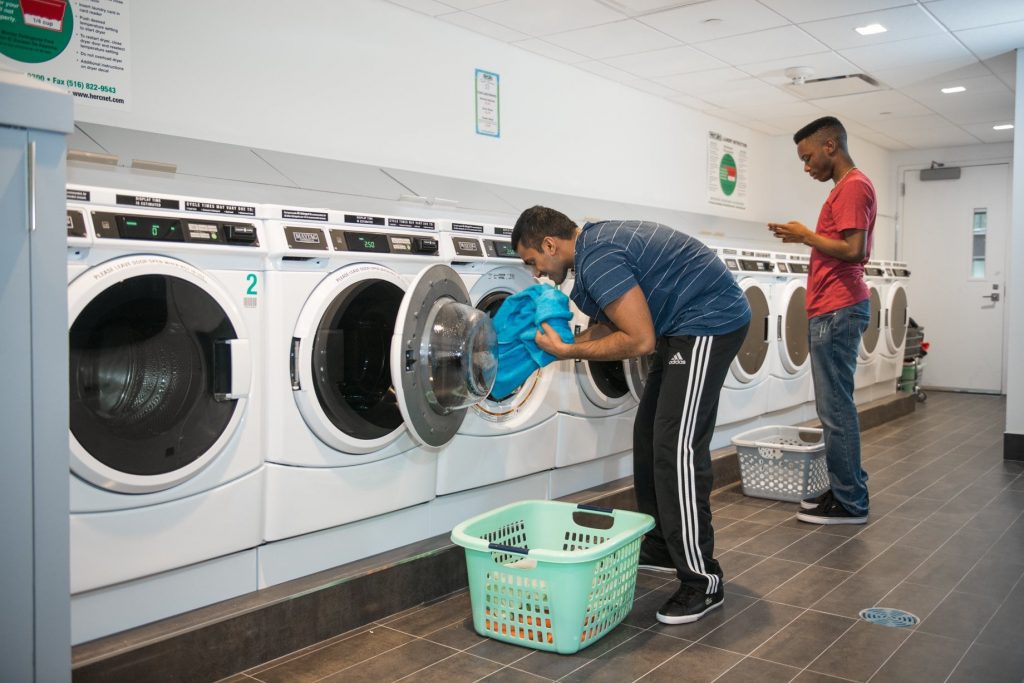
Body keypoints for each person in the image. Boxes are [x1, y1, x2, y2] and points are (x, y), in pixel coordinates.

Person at [512, 207, 750, 625]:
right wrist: (562, 344)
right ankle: (660, 544)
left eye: (532, 262)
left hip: (710, 322)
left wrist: (570, 351)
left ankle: (702, 581)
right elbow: (615, 323)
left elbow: (639, 340)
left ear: (550, 245)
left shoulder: (598, 259)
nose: (537, 273)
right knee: (649, 435)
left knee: (676, 449)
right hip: (682, 325)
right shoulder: (593, 251)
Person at [768, 115, 876, 525]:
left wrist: (804, 235)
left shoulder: (851, 187)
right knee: (836, 408)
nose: (807, 166)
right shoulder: (848, 188)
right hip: (834, 307)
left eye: (808, 157)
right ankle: (847, 489)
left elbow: (853, 249)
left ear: (830, 146)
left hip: (838, 307)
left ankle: (850, 502)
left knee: (835, 411)